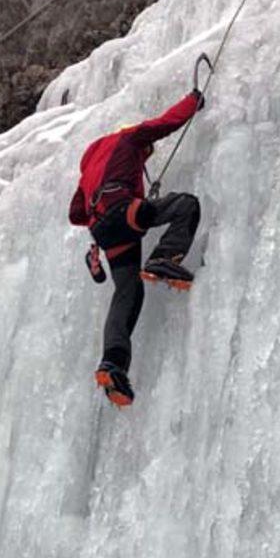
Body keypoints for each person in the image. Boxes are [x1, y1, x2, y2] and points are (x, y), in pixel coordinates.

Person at [69, 89, 205, 407]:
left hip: (105, 233)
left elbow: (76, 213)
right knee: (185, 206)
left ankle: (113, 364)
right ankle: (163, 257)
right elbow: (164, 123)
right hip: (122, 210)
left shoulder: (89, 169)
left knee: (128, 293)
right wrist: (193, 100)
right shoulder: (127, 138)